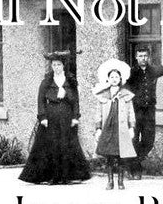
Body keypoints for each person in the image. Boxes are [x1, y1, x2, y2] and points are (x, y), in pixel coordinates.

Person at [19, 52, 91, 185]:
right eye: (54, 65)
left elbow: (76, 101)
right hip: (50, 118)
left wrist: (75, 116)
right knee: (51, 146)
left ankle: (66, 177)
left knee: (67, 145)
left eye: (59, 65)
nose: (56, 67)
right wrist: (42, 117)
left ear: (63, 66)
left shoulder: (70, 80)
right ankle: (52, 177)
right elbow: (40, 100)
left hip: (67, 117)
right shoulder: (47, 81)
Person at [124, 46, 163, 179]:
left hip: (149, 112)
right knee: (134, 139)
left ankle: (133, 163)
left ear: (149, 57)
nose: (143, 59)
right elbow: (123, 87)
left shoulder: (153, 71)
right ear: (136, 57)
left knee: (149, 141)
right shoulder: (131, 72)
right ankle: (134, 169)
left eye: (145, 56)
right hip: (135, 112)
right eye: (140, 56)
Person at [93, 59, 136, 190]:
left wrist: (131, 127)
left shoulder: (126, 95)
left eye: (116, 77)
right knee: (109, 156)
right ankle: (110, 181)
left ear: (120, 78)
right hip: (108, 128)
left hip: (121, 129)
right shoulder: (103, 95)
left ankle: (121, 181)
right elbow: (98, 113)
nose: (114, 79)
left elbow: (131, 112)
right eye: (111, 77)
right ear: (108, 79)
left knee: (121, 156)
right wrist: (98, 128)